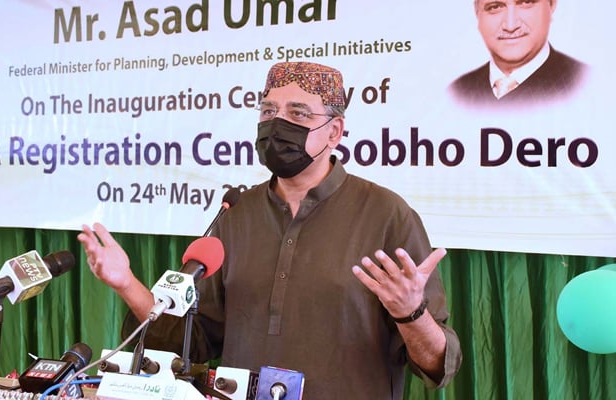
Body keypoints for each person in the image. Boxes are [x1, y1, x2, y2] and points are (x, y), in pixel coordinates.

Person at [78, 61, 462, 399]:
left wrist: (411, 314)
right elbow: (191, 343)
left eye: (298, 113)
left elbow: (437, 365)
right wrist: (126, 282)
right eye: (268, 110)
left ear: (334, 131)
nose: (278, 124)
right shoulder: (237, 214)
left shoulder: (385, 214)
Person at [449, 0, 588, 109]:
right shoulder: (457, 91)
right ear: (477, 13)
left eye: (525, 2)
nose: (510, 26)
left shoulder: (585, 87)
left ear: (551, 5)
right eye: (494, 6)